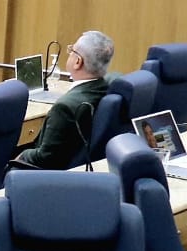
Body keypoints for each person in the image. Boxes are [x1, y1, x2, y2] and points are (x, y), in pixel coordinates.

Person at [10, 31, 114, 169]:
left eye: (72, 50)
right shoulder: (105, 88)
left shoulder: (64, 107)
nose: (69, 53)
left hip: (42, 174)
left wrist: (22, 155)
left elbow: (45, 158)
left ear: (78, 61)